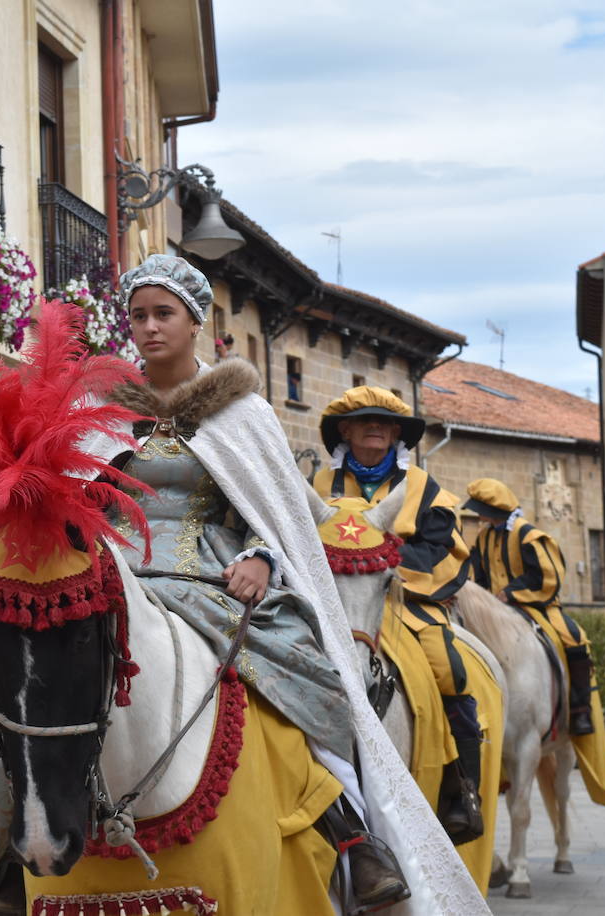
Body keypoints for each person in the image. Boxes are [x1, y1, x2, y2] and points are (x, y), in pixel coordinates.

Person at [84, 255, 409, 912]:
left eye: (163, 314)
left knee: (317, 672)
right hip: (118, 570)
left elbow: (277, 507)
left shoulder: (244, 412)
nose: (149, 328)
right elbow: (80, 498)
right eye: (139, 316)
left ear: (195, 321)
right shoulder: (102, 408)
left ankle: (351, 833)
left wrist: (262, 555)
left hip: (216, 575)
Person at [312, 387, 485, 845]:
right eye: (365, 421)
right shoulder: (315, 486)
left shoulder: (427, 490)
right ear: (344, 430)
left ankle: (461, 788)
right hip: (331, 603)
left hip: (404, 599)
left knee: (448, 667)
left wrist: (385, 566)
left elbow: (440, 551)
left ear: (397, 434)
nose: (377, 428)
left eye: (387, 423)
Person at [465, 478, 596, 735]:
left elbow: (547, 577)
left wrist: (511, 594)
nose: (477, 514)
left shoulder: (529, 536)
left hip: (537, 605)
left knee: (574, 637)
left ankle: (581, 710)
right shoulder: (482, 539)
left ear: (494, 510)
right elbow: (479, 577)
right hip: (493, 610)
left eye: (480, 509)